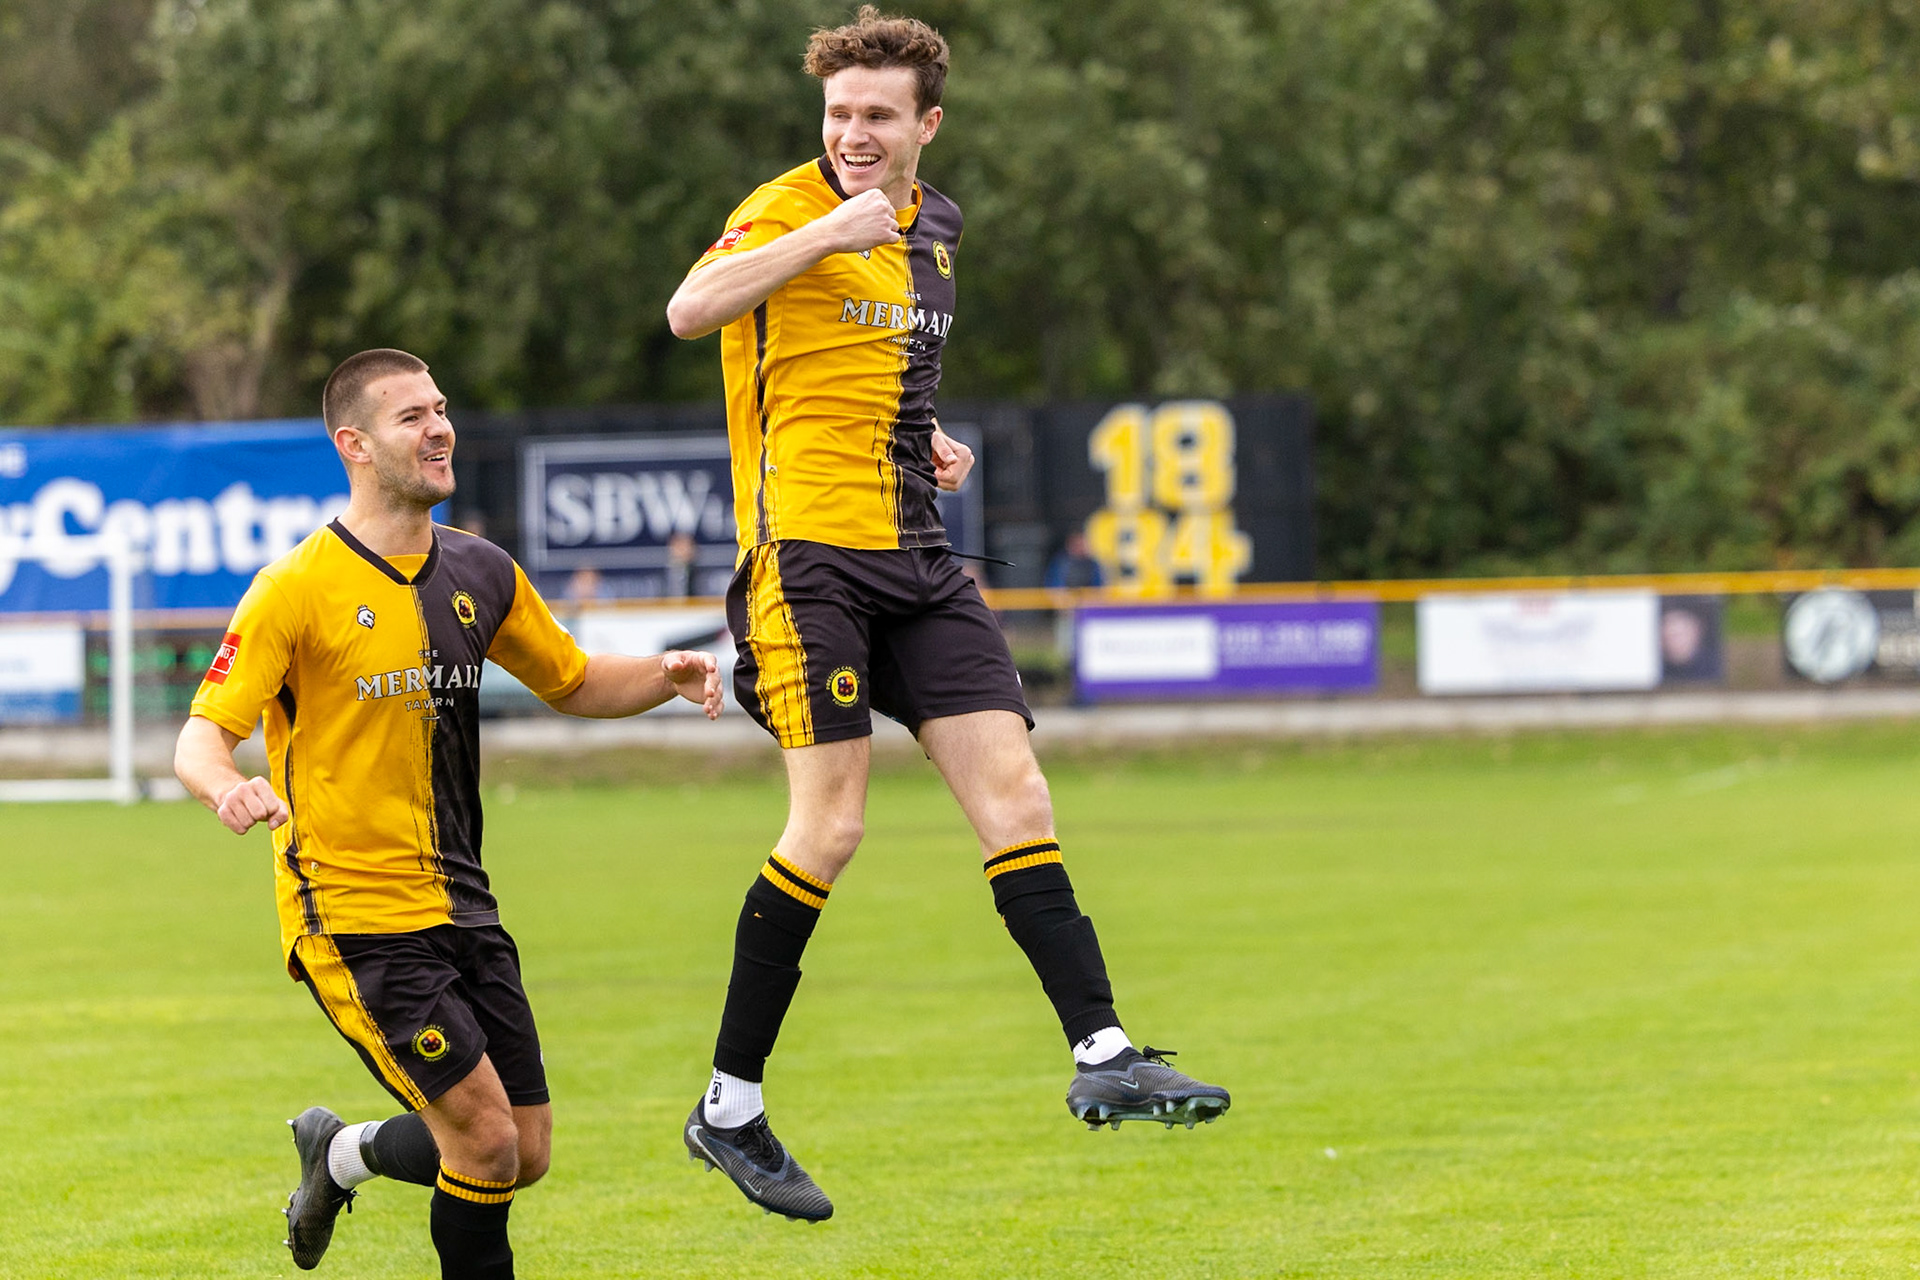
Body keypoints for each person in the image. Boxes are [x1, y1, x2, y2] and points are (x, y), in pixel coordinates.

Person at [664, 6, 1229, 1224]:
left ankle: (1104, 1054)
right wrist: (825, 229)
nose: (854, 134)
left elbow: (876, 365)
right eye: (838, 114)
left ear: (928, 124)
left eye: (877, 116)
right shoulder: (787, 207)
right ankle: (729, 1107)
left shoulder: (942, 228)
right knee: (834, 826)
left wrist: (929, 438)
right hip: (806, 558)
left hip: (919, 554)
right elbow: (692, 309)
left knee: (1018, 795)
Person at [173, 349, 723, 1277]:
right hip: (353, 915)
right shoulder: (294, 589)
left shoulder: (479, 568)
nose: (440, 429)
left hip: (465, 903)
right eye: (411, 418)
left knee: (526, 1150)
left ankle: (340, 1154)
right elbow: (200, 735)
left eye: (441, 408)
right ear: (353, 445)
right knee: (483, 1146)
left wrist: (664, 678)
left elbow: (577, 680)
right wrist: (227, 785)